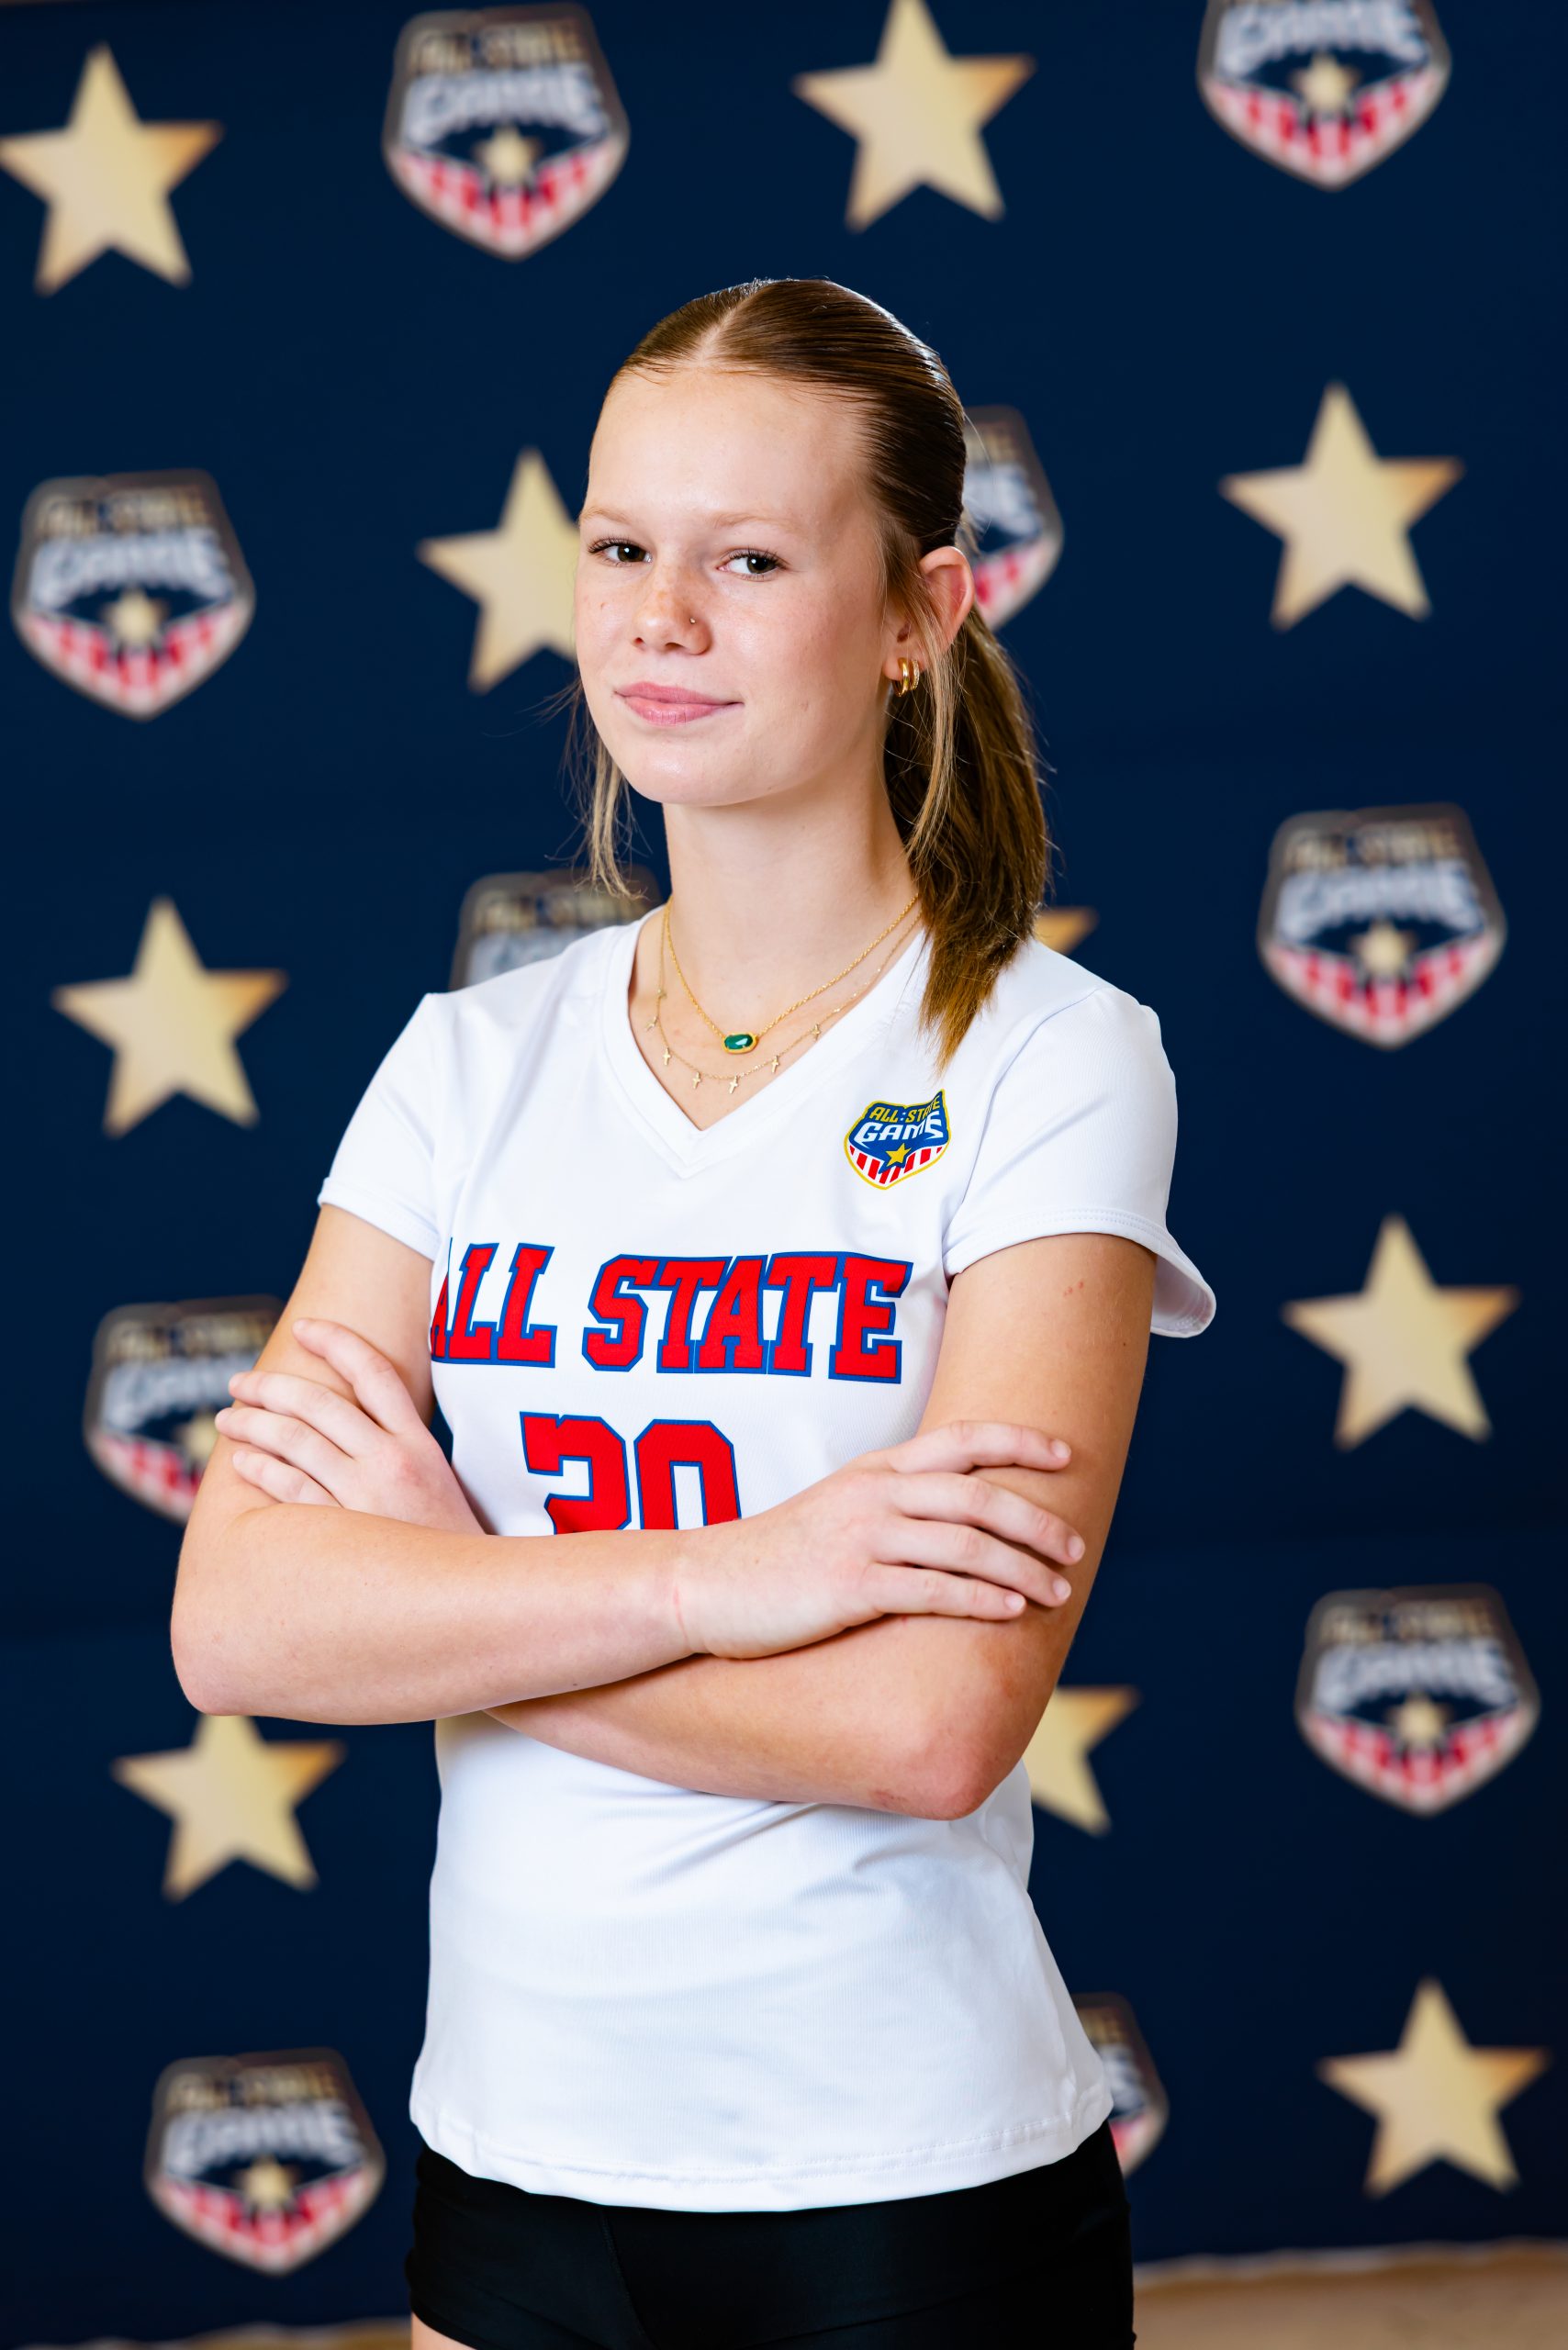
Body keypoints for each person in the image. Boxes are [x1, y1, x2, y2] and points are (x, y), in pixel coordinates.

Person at [173, 277, 1215, 2348]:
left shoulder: (1051, 1057)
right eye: (621, 546)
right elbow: (243, 1622)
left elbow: (929, 1727)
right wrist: (727, 1580)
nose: (659, 619)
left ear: (918, 611)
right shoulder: (466, 1062)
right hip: (512, 2166)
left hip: (900, 2183)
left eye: (749, 560)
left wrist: (464, 1600)